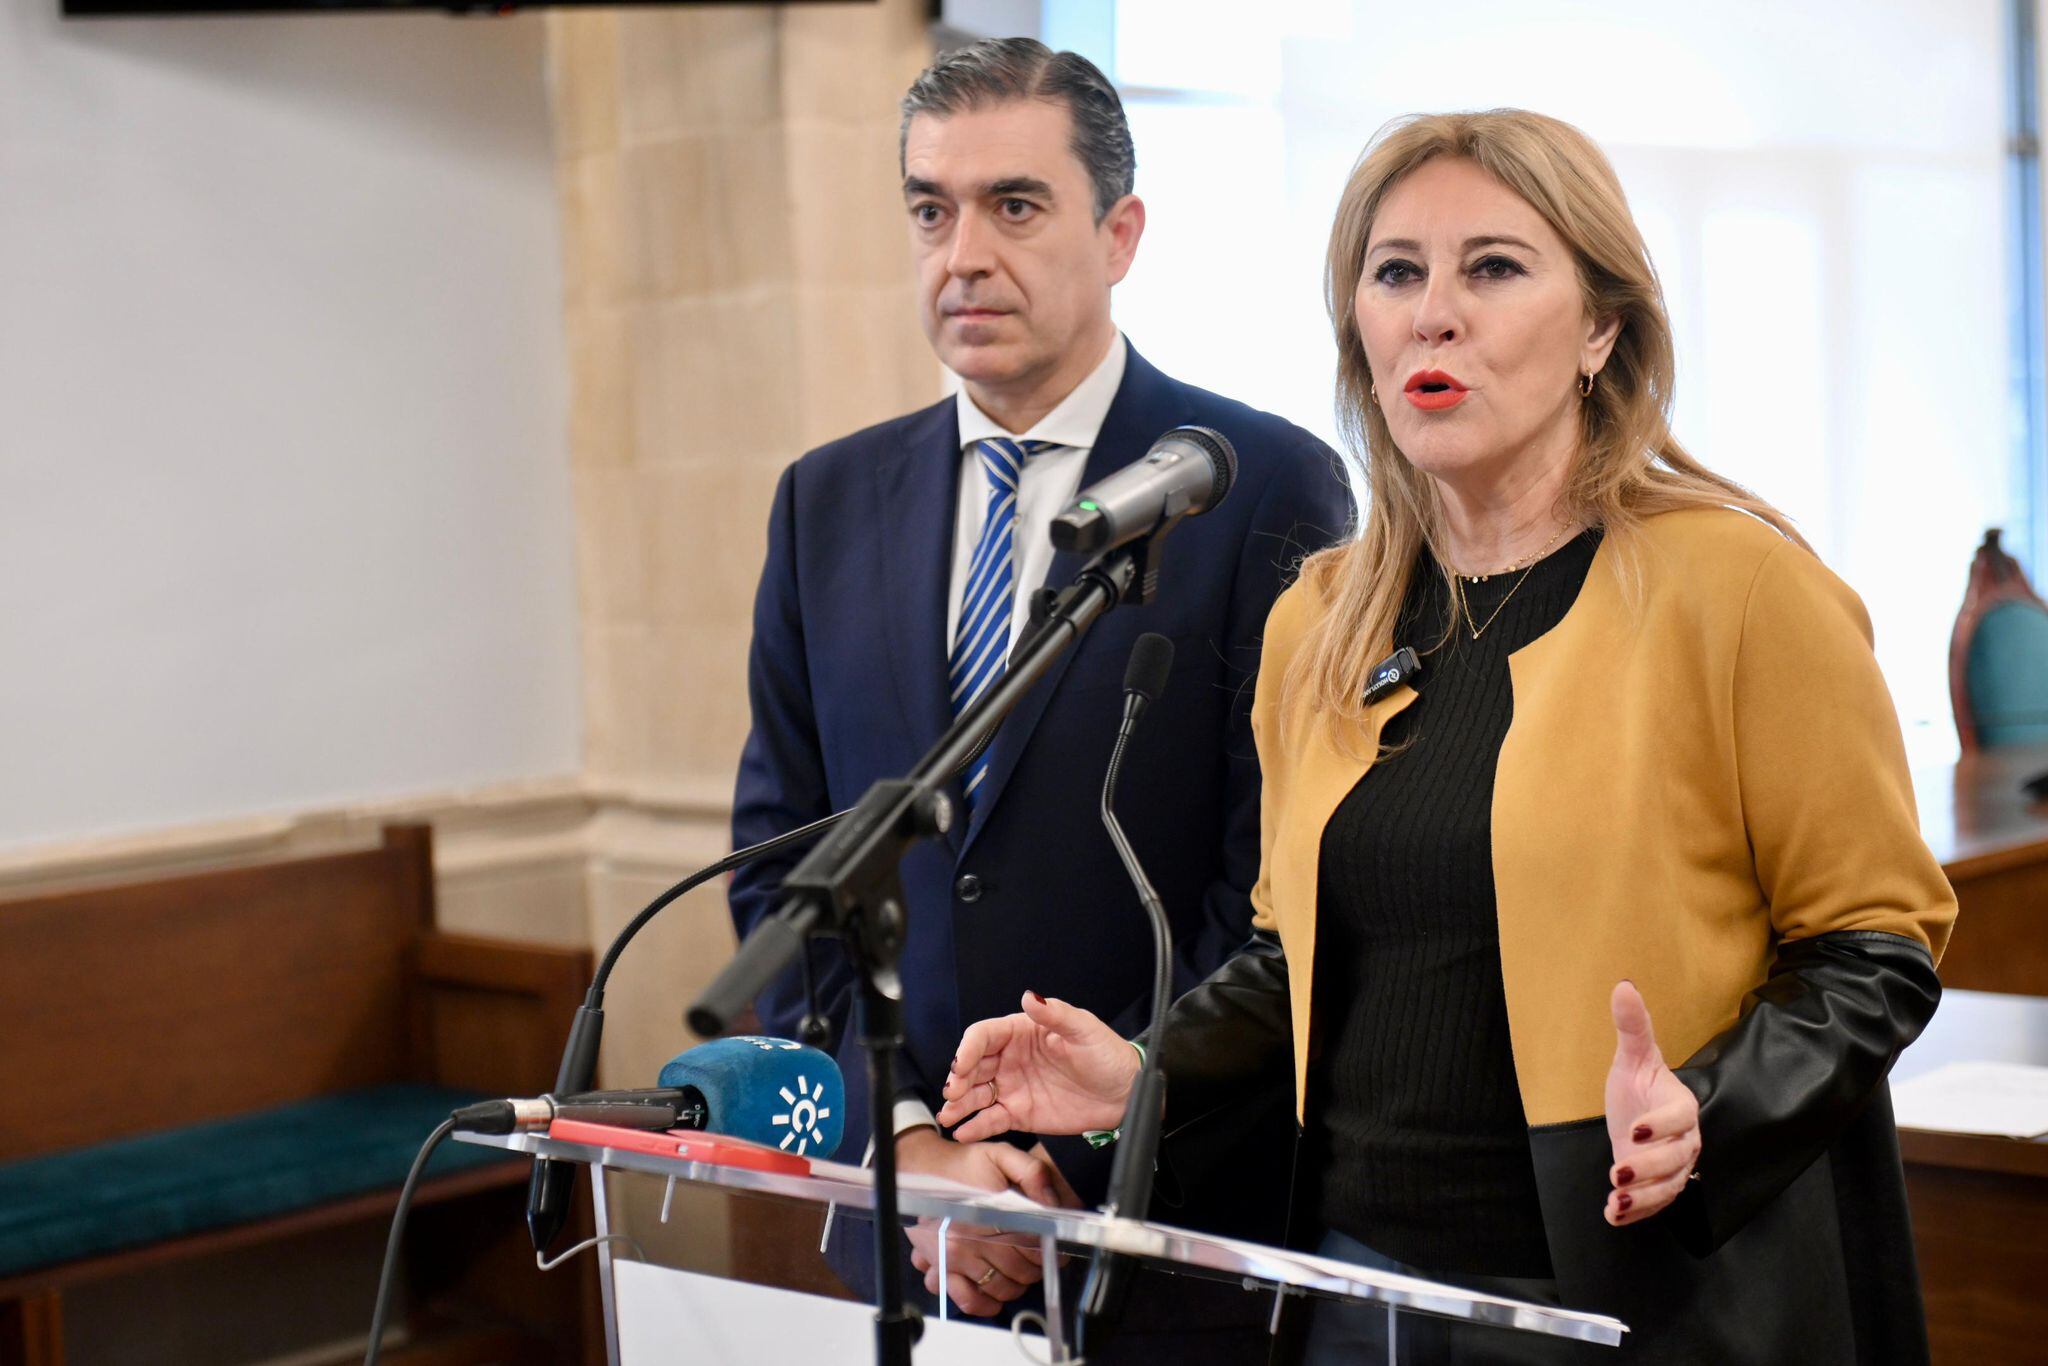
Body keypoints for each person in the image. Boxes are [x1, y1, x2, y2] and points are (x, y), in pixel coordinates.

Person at [935, 108, 1957, 1365]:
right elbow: (1290, 961)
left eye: (1493, 267)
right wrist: (1141, 1071)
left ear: (1598, 328)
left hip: (1621, 1294)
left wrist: (1706, 1106)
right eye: (1395, 273)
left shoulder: (1739, 589)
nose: (1433, 314)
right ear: (1357, 331)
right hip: (1352, 1295)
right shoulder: (1320, 613)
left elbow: (1873, 947)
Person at [725, 36, 1351, 1353]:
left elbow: (1274, 891)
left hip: (1164, 1232)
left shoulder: (1257, 485)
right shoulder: (825, 501)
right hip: (906, 1233)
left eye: (1015, 205)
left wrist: (1080, 1143)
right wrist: (915, 1145)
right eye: (929, 209)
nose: (964, 255)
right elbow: (784, 867)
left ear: (1120, 234)